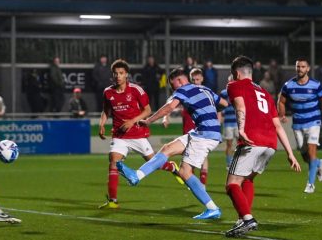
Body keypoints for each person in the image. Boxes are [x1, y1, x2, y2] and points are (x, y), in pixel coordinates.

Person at [116, 67, 229, 219]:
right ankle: (136, 176)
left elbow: (169, 107)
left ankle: (212, 208)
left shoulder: (182, 90)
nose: (172, 88)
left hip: (204, 135)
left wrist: (149, 120)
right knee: (167, 149)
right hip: (202, 132)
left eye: (172, 84)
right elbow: (224, 103)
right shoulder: (205, 89)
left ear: (180, 80)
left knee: (184, 172)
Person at [224, 56, 301, 237]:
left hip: (252, 141)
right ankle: (242, 220)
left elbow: (240, 107)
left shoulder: (234, 85)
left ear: (236, 73)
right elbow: (278, 126)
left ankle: (248, 219)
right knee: (248, 180)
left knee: (232, 184)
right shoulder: (265, 93)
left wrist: (241, 129)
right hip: (270, 145)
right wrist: (290, 153)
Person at [98, 59, 183, 209]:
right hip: (119, 136)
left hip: (137, 134)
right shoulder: (108, 92)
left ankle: (172, 168)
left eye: (121, 73)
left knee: (155, 164)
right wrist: (102, 124)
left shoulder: (136, 90)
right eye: (115, 73)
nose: (118, 76)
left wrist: (132, 121)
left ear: (126, 75)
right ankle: (113, 201)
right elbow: (106, 111)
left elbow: (148, 110)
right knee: (113, 162)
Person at [278, 58, 322, 194]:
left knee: (312, 151)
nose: (300, 69)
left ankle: (310, 184)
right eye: (298, 67)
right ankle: (319, 164)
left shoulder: (315, 85)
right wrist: (282, 115)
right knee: (304, 155)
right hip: (298, 123)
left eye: (303, 67)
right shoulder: (289, 85)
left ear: (308, 69)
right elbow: (281, 101)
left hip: (314, 122)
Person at [219, 76, 239, 169]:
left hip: (238, 122)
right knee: (229, 144)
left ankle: (238, 162)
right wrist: (220, 116)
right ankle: (228, 163)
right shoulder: (223, 93)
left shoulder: (239, 92)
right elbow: (220, 107)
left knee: (240, 144)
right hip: (228, 123)